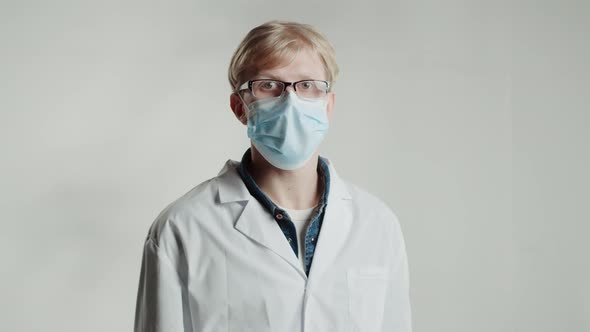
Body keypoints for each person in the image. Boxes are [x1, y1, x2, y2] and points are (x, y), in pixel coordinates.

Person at [134, 20, 412, 332]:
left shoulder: (377, 224)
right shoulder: (183, 226)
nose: (290, 102)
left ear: (328, 105)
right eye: (268, 85)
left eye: (307, 85)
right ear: (239, 107)